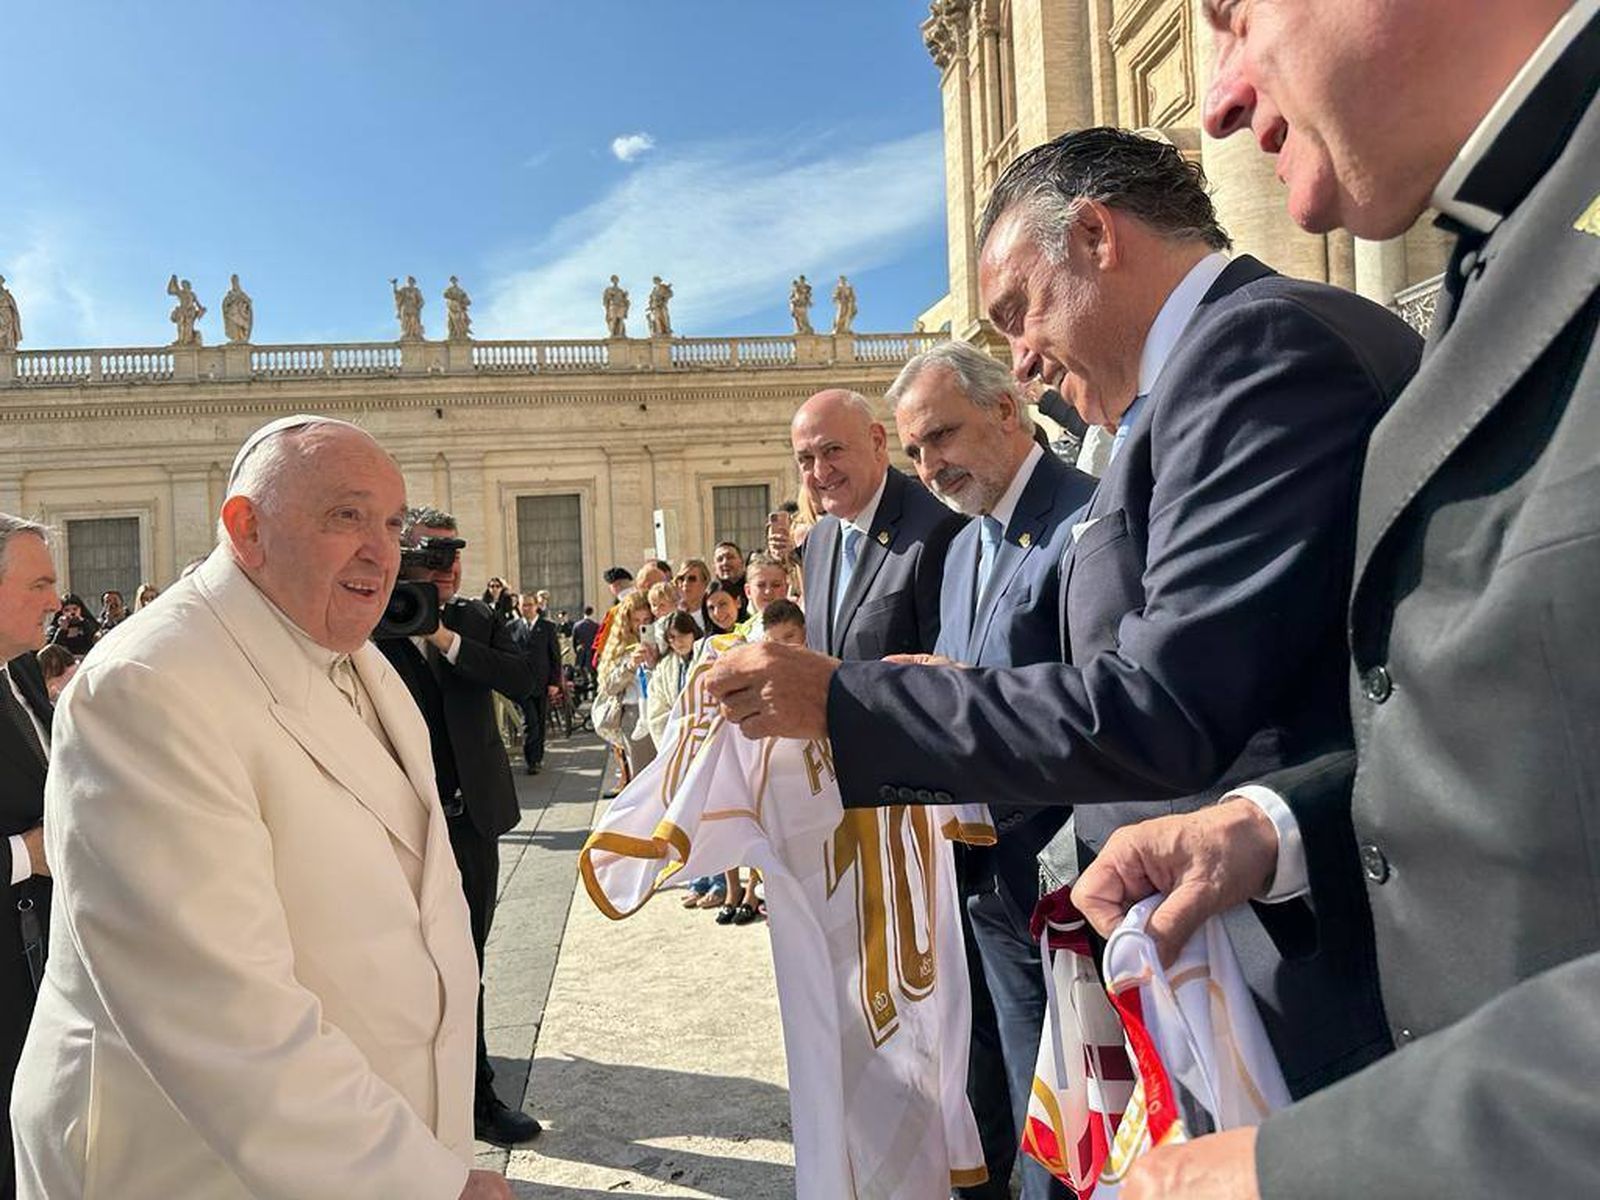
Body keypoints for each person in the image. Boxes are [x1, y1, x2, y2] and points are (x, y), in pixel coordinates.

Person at [706, 128, 1423, 1103]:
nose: (1025, 364)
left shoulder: (1253, 348)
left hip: (1308, 979)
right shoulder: (1155, 411)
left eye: (1019, 312)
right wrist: (947, 692)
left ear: (1095, 236)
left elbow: (1161, 704)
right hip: (1210, 957)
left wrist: (846, 705)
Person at [1064, 4, 1600, 1198]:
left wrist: (1310, 1166)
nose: (1213, 99)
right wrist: (1277, 824)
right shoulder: (1498, 246)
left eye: (1236, 15)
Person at [11, 419, 510, 1199]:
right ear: (246, 529)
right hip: (193, 1162)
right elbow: (217, 1008)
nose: (383, 550)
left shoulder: (364, 660)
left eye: (391, 523)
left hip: (357, 1138)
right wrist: (420, 1182)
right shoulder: (149, 686)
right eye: (346, 516)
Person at [894, 339, 1096, 1200]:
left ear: (1007, 410)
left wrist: (961, 691)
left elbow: (1106, 698)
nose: (930, 466)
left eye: (941, 437)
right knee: (1026, 1105)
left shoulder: (1087, 518)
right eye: (914, 451)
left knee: (1087, 1113)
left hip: (1068, 877)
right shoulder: (961, 548)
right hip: (985, 875)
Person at [374, 506, 540, 1149]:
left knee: (466, 961)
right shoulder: (372, 624)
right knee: (402, 965)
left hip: (471, 823)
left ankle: (477, 1097)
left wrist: (446, 640)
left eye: (454, 556)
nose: (449, 569)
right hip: (401, 827)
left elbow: (525, 677)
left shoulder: (473, 620)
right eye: (434, 557)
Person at [790, 388, 965, 659]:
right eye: (806, 459)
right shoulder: (818, 540)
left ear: (876, 441)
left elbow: (945, 673)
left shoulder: (939, 527)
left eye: (833, 450)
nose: (821, 472)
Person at [0, 515, 59, 1198]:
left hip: (42, 961)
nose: (56, 599)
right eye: (39, 583)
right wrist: (26, 853)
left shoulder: (19, 667)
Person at [595, 591, 656, 776]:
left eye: (646, 619)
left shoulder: (662, 638)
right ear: (627, 621)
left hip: (660, 710)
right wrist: (630, 666)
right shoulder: (619, 647)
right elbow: (609, 687)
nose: (642, 625)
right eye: (636, 620)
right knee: (642, 777)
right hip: (634, 713)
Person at [511, 594, 563, 776]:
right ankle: (531, 759)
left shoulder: (547, 627)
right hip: (521, 684)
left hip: (542, 684)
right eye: (523, 605)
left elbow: (555, 657)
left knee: (539, 722)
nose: (526, 609)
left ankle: (537, 758)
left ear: (536, 606)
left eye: (529, 605)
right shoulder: (512, 628)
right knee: (530, 722)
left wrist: (554, 682)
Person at [733, 552, 789, 639]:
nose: (768, 591)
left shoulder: (800, 623)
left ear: (786, 588)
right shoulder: (742, 632)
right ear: (748, 591)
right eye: (761, 585)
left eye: (776, 585)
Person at [712, 540, 748, 620]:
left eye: (730, 557)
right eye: (720, 559)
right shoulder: (710, 595)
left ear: (742, 562)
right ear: (714, 567)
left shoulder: (753, 589)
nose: (725, 562)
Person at [673, 558, 712, 632]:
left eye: (692, 579)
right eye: (681, 579)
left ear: (705, 583)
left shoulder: (713, 610)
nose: (685, 583)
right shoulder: (673, 612)